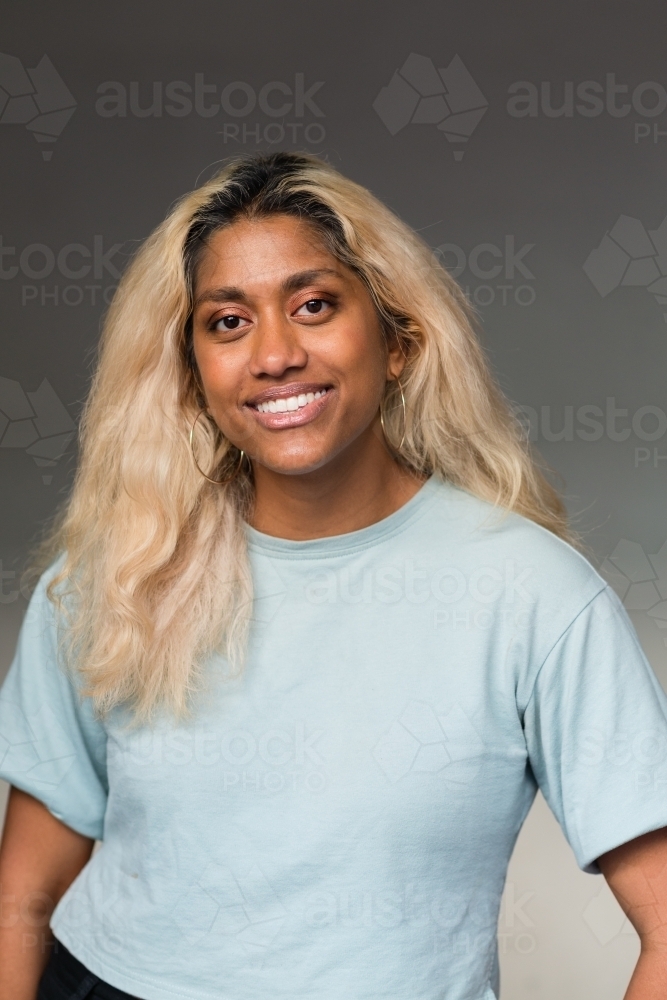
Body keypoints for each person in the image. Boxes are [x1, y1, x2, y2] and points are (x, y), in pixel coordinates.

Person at [0, 151, 666, 1000]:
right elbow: (19, 895)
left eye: (313, 306)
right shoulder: (119, 573)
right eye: (228, 322)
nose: (274, 355)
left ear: (396, 342)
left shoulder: (532, 595)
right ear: (192, 374)